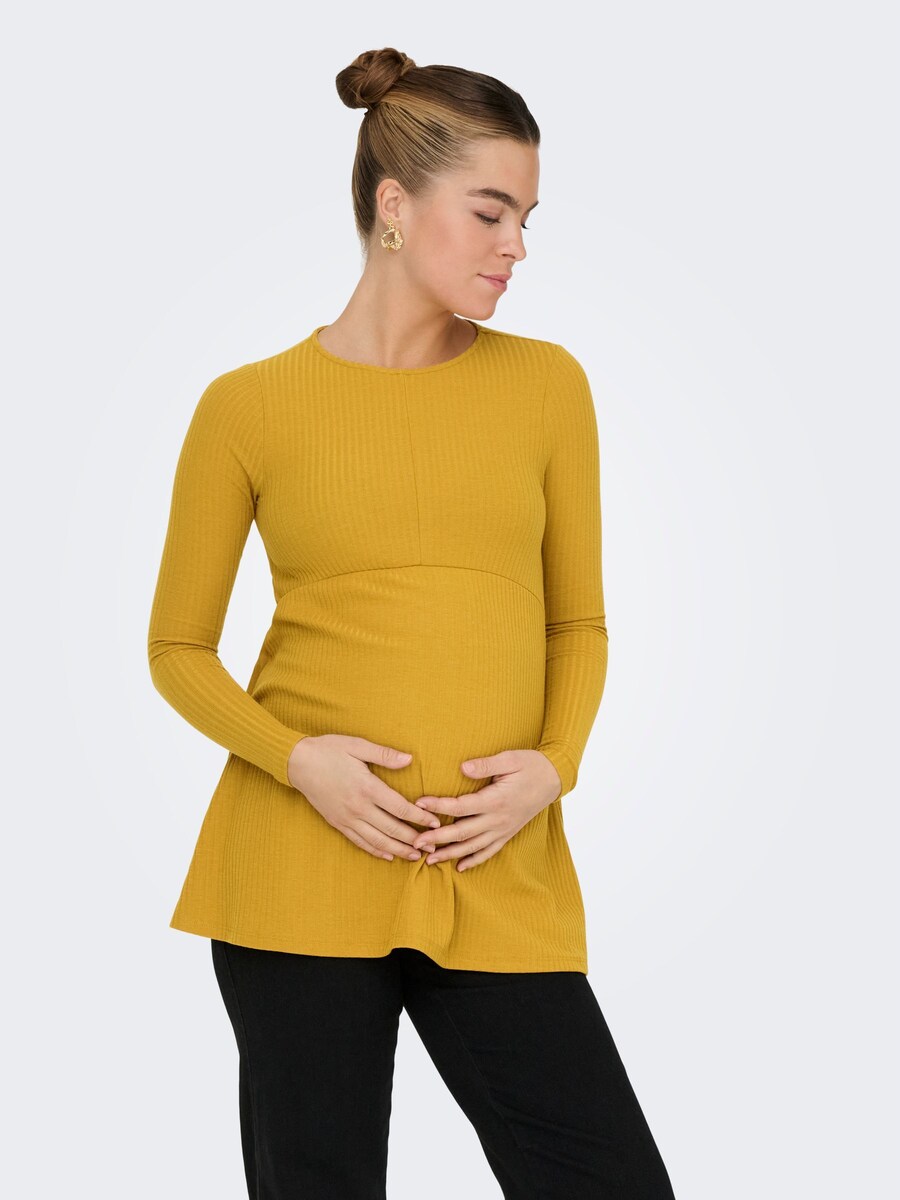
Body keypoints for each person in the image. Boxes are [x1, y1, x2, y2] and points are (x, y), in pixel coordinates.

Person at [148, 45, 677, 1200]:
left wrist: (554, 767)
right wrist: (302, 762)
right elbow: (177, 650)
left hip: (493, 865)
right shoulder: (246, 407)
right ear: (394, 205)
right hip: (297, 870)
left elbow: (579, 622)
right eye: (490, 212)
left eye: (526, 218)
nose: (516, 246)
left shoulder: (547, 386)